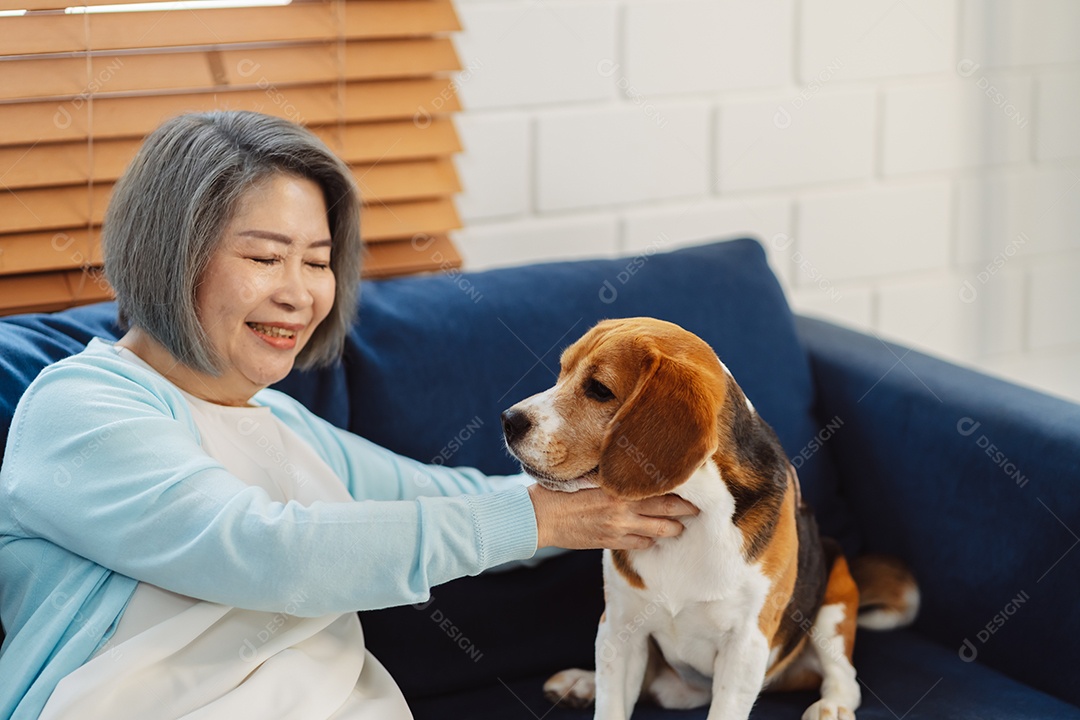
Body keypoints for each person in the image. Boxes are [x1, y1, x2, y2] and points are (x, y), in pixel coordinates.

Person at [0, 110, 698, 719]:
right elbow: (266, 551)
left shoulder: (278, 424)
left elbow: (452, 500)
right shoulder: (83, 407)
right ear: (168, 256)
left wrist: (614, 503)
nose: (299, 294)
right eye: (266, 257)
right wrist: (541, 518)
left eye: (317, 261)